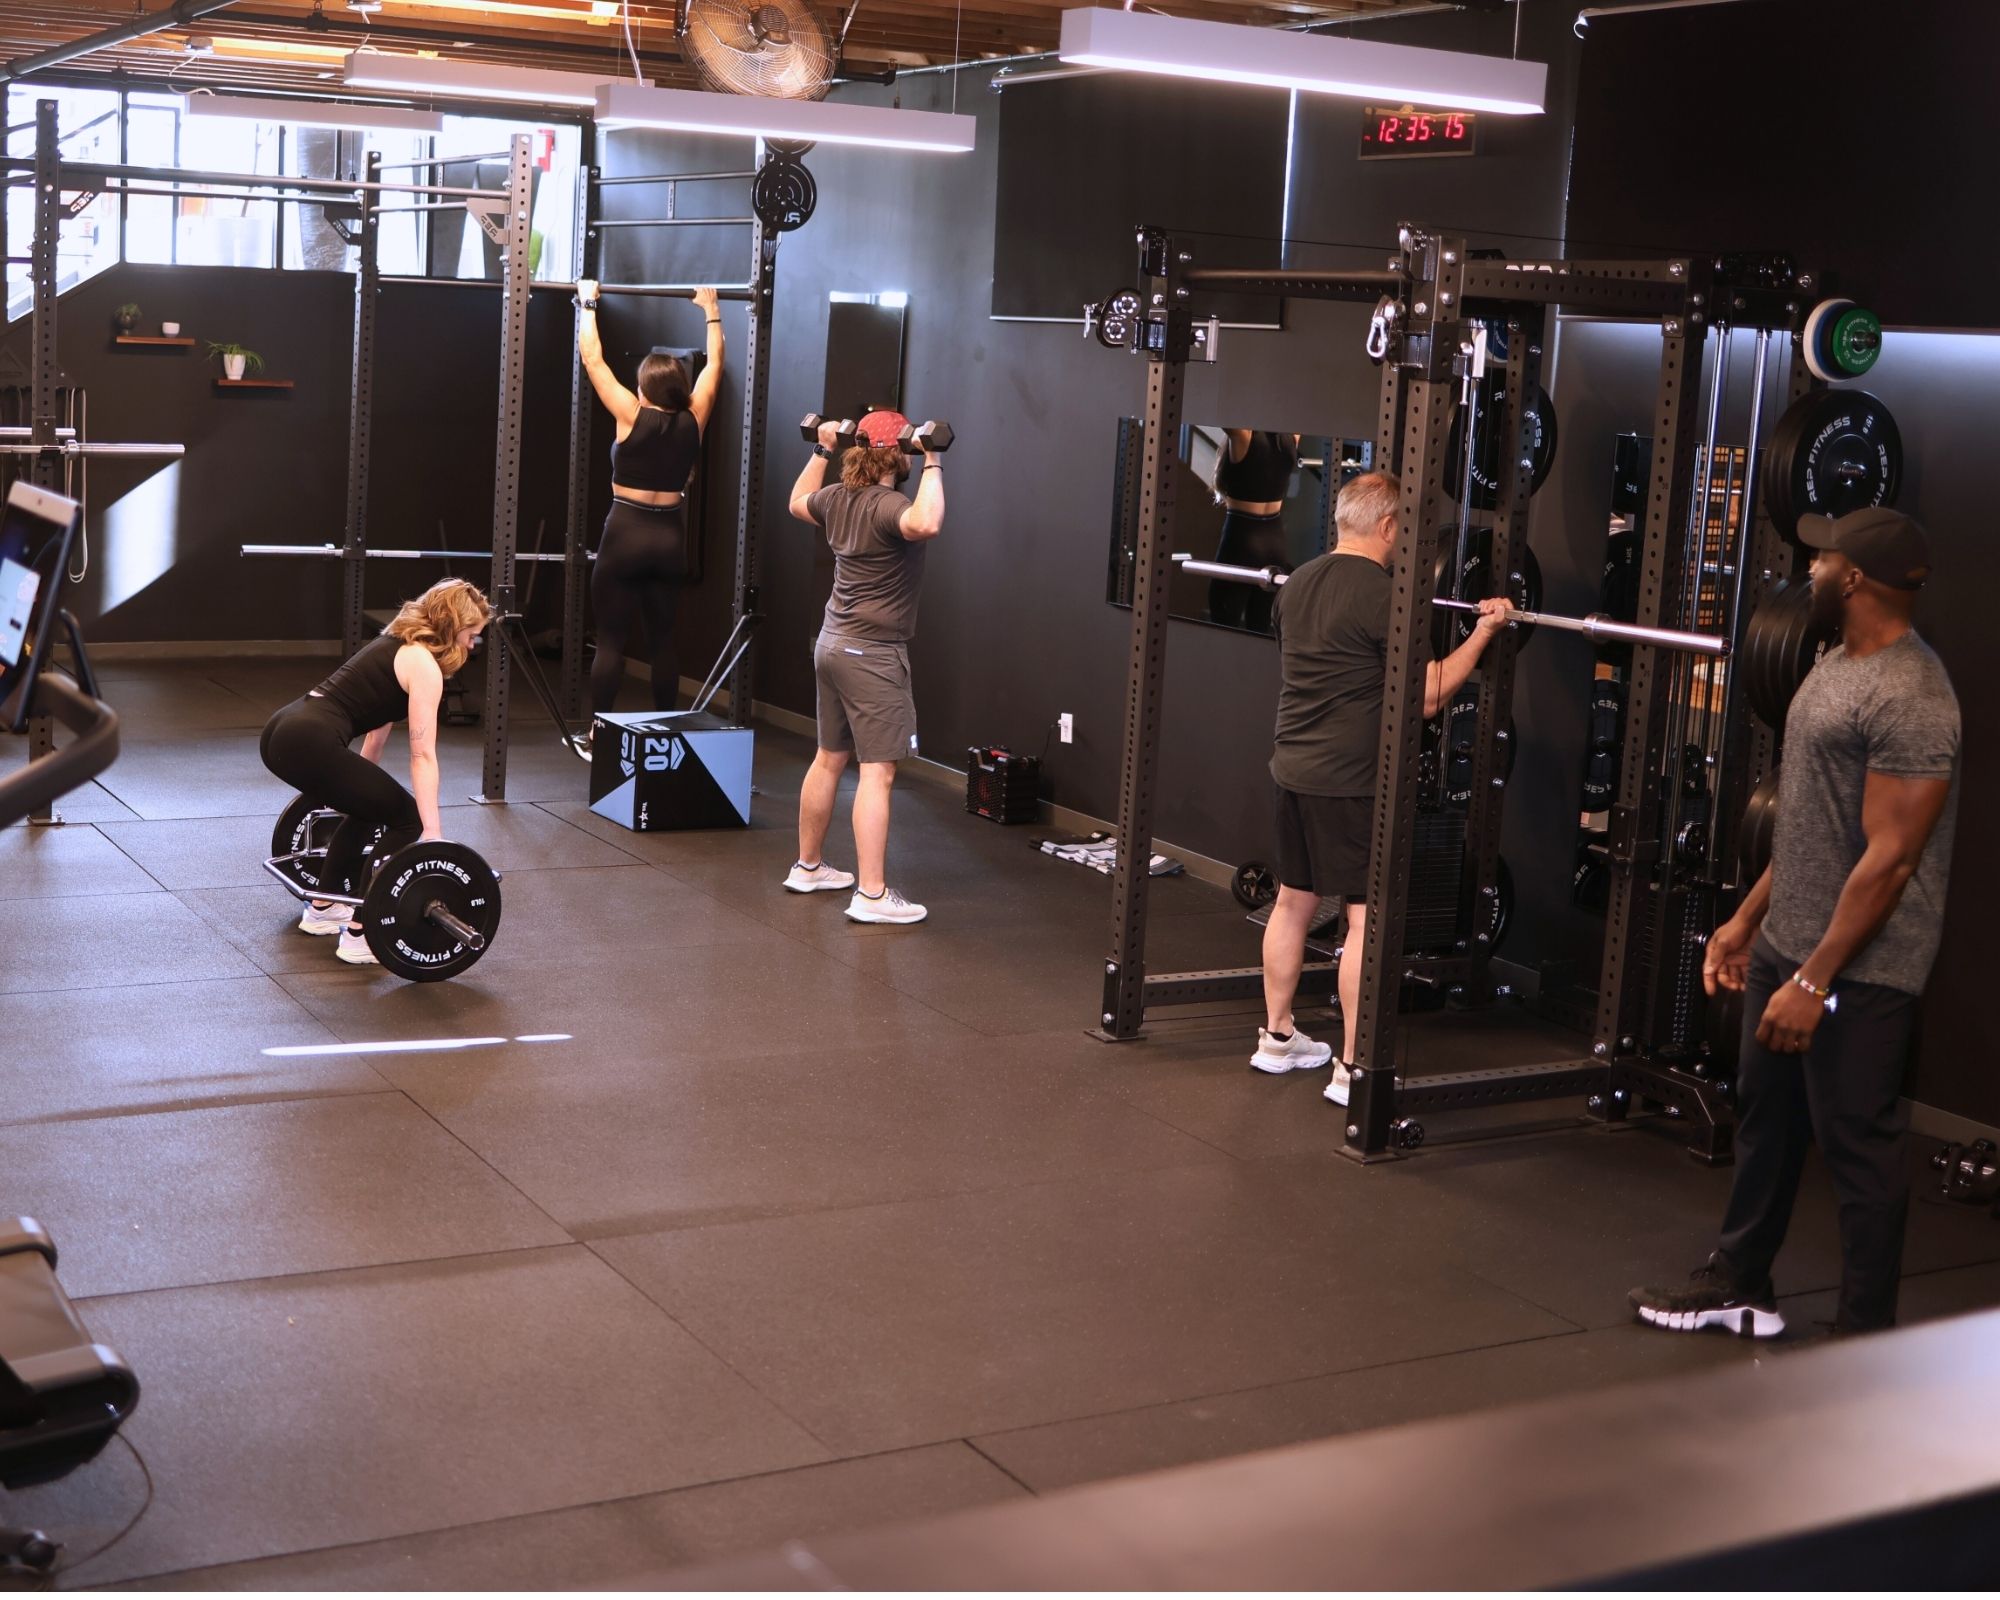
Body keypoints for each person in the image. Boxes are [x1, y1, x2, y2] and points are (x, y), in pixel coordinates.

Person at [1631, 508, 1958, 1340]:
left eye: (1821, 559)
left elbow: (1889, 860)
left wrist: (1818, 977)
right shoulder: (1829, 659)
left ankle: (1863, 1342)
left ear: (1852, 579)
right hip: (1789, 946)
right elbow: (1815, 822)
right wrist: (1747, 920)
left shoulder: (1914, 696)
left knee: (1858, 1150)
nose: (1808, 570)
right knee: (1767, 1123)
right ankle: (1742, 1282)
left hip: (1862, 969)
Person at [1254, 470, 1512, 1099]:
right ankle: (1352, 1067)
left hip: (1293, 768)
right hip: (1352, 783)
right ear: (1391, 527)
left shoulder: (1297, 584)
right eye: (1408, 532)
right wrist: (1484, 631)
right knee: (1365, 920)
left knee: (1293, 901)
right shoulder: (1389, 596)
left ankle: (1278, 1038)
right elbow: (1427, 697)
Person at [260, 579, 492, 967]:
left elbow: (376, 730)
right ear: (452, 628)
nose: (473, 645)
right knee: (405, 818)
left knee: (373, 806)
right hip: (308, 739)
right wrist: (430, 833)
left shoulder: (394, 644)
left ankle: (323, 906)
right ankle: (360, 933)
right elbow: (422, 755)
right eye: (472, 635)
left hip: (282, 731)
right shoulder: (425, 667)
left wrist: (361, 787)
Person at [783, 410, 944, 924]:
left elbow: (795, 503)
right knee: (878, 772)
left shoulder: (836, 498)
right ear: (898, 453)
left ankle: (808, 867)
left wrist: (821, 448)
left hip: (831, 643)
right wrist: (935, 457)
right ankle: (872, 895)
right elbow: (927, 522)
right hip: (872, 654)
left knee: (829, 757)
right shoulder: (887, 504)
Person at [574, 279, 724, 733]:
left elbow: (592, 358)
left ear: (644, 390)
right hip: (668, 538)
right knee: (662, 640)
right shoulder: (695, 416)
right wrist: (711, 310)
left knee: (612, 640)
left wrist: (588, 301)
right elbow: (715, 362)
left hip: (625, 532)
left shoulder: (629, 414)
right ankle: (664, 728)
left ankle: (600, 734)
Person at [1208, 429, 1300, 633]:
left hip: (1241, 541)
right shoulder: (1291, 436)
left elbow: (1223, 406)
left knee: (1222, 628)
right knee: (1259, 630)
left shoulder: (1243, 435)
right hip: (1275, 544)